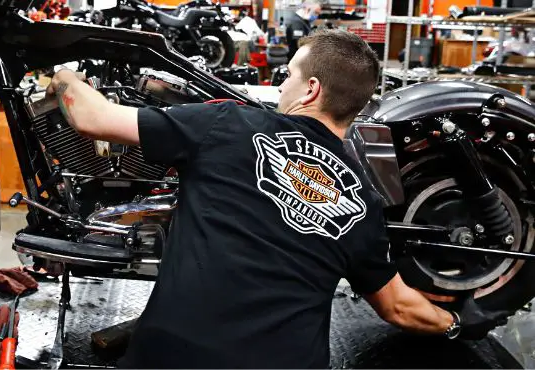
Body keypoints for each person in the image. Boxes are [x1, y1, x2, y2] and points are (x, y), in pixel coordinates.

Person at [44, 29, 512, 368]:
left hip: (170, 357)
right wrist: (456, 324)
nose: (281, 85)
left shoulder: (226, 123)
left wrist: (63, 72)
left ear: (311, 89)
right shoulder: (363, 202)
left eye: (289, 75)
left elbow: (91, 117)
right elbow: (398, 307)